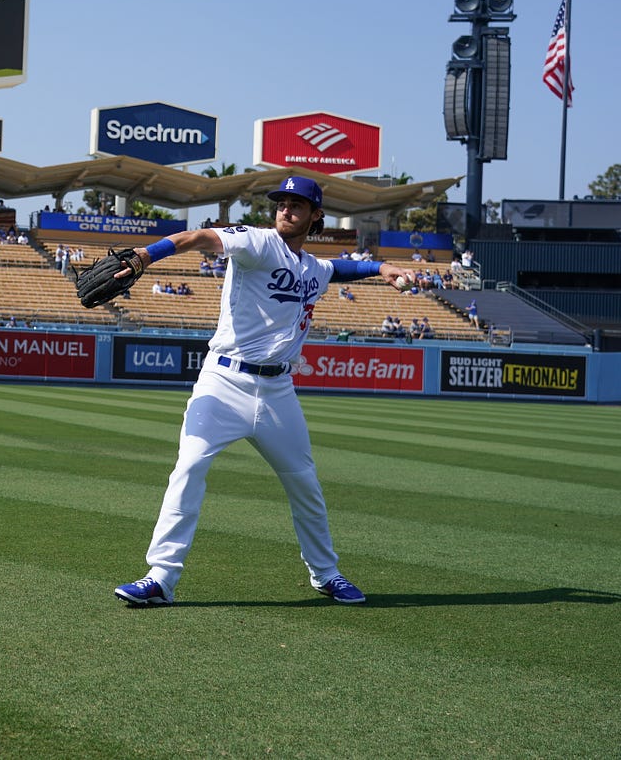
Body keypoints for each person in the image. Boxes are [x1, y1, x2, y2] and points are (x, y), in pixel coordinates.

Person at [112, 176, 418, 608]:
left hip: (277, 392)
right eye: (281, 202)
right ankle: (161, 577)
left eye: (297, 204)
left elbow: (344, 267)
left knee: (304, 484)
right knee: (189, 468)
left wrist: (384, 268)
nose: (286, 209)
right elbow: (199, 236)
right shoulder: (256, 243)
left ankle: (326, 574)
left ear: (316, 216)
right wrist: (147, 254)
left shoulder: (315, 268)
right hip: (223, 381)